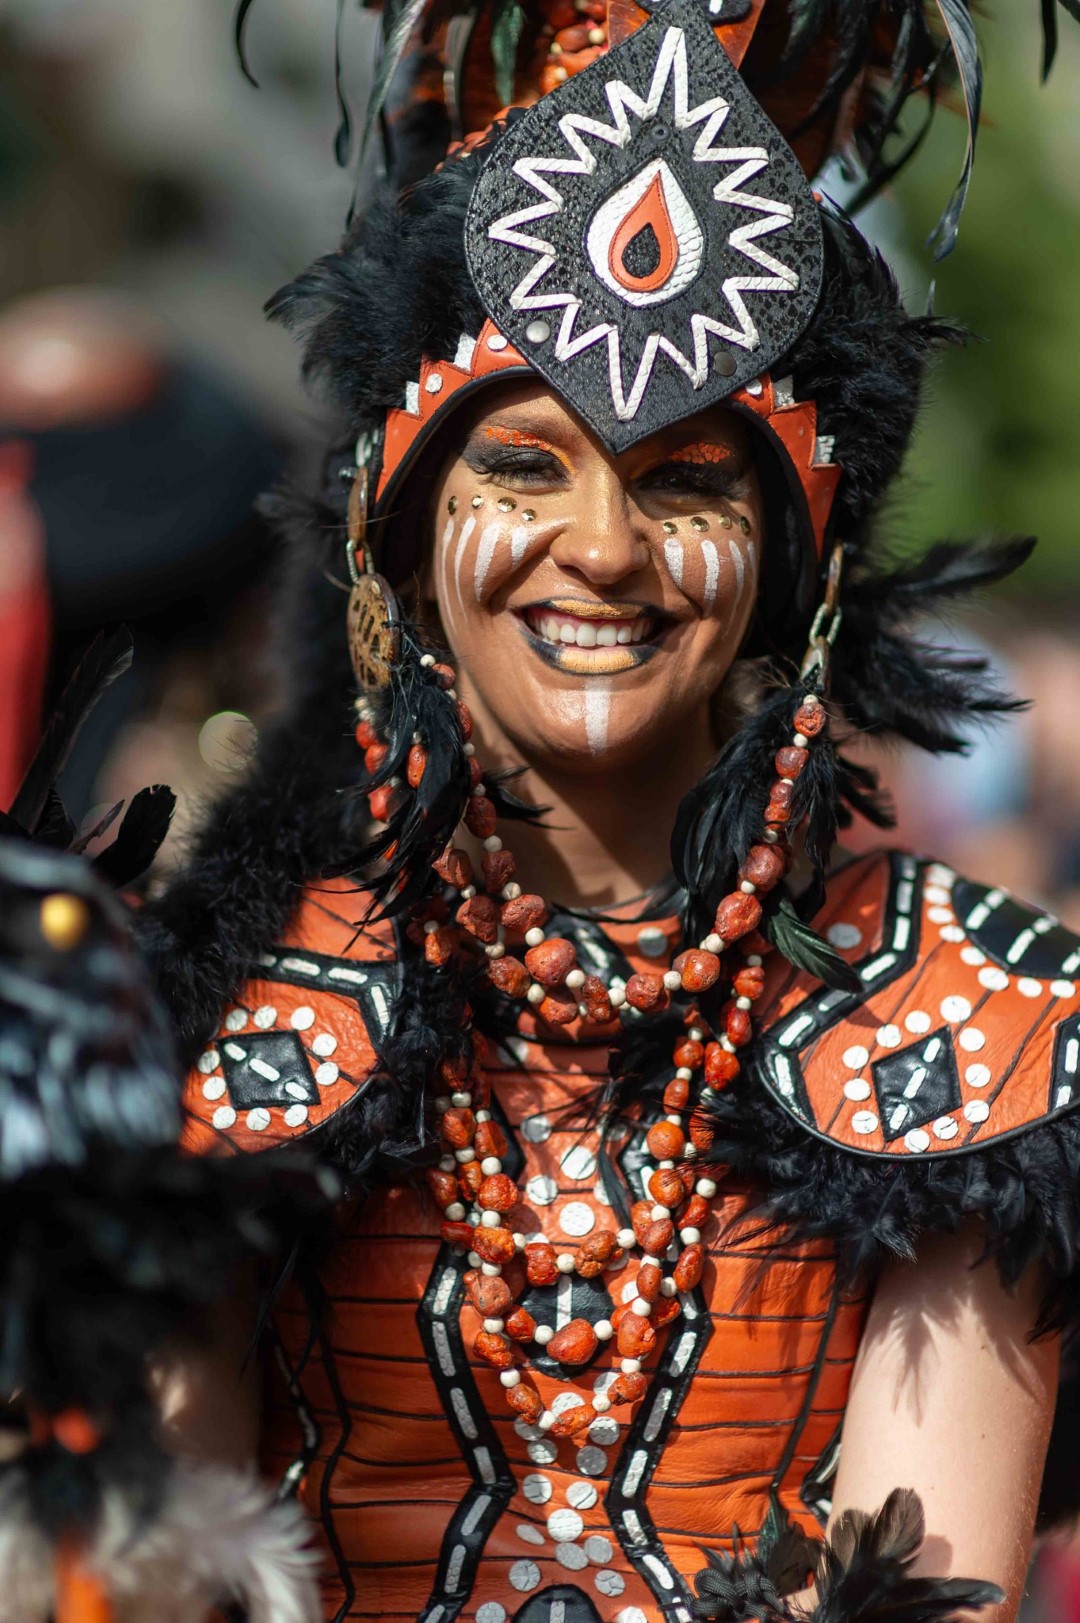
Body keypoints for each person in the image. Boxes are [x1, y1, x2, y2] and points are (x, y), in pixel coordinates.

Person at [137, 2, 1080, 1620]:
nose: (603, 549)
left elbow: (937, 1584)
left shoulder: (967, 1022)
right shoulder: (205, 1008)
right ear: (399, 535)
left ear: (795, 570)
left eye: (688, 480)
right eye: (523, 466)